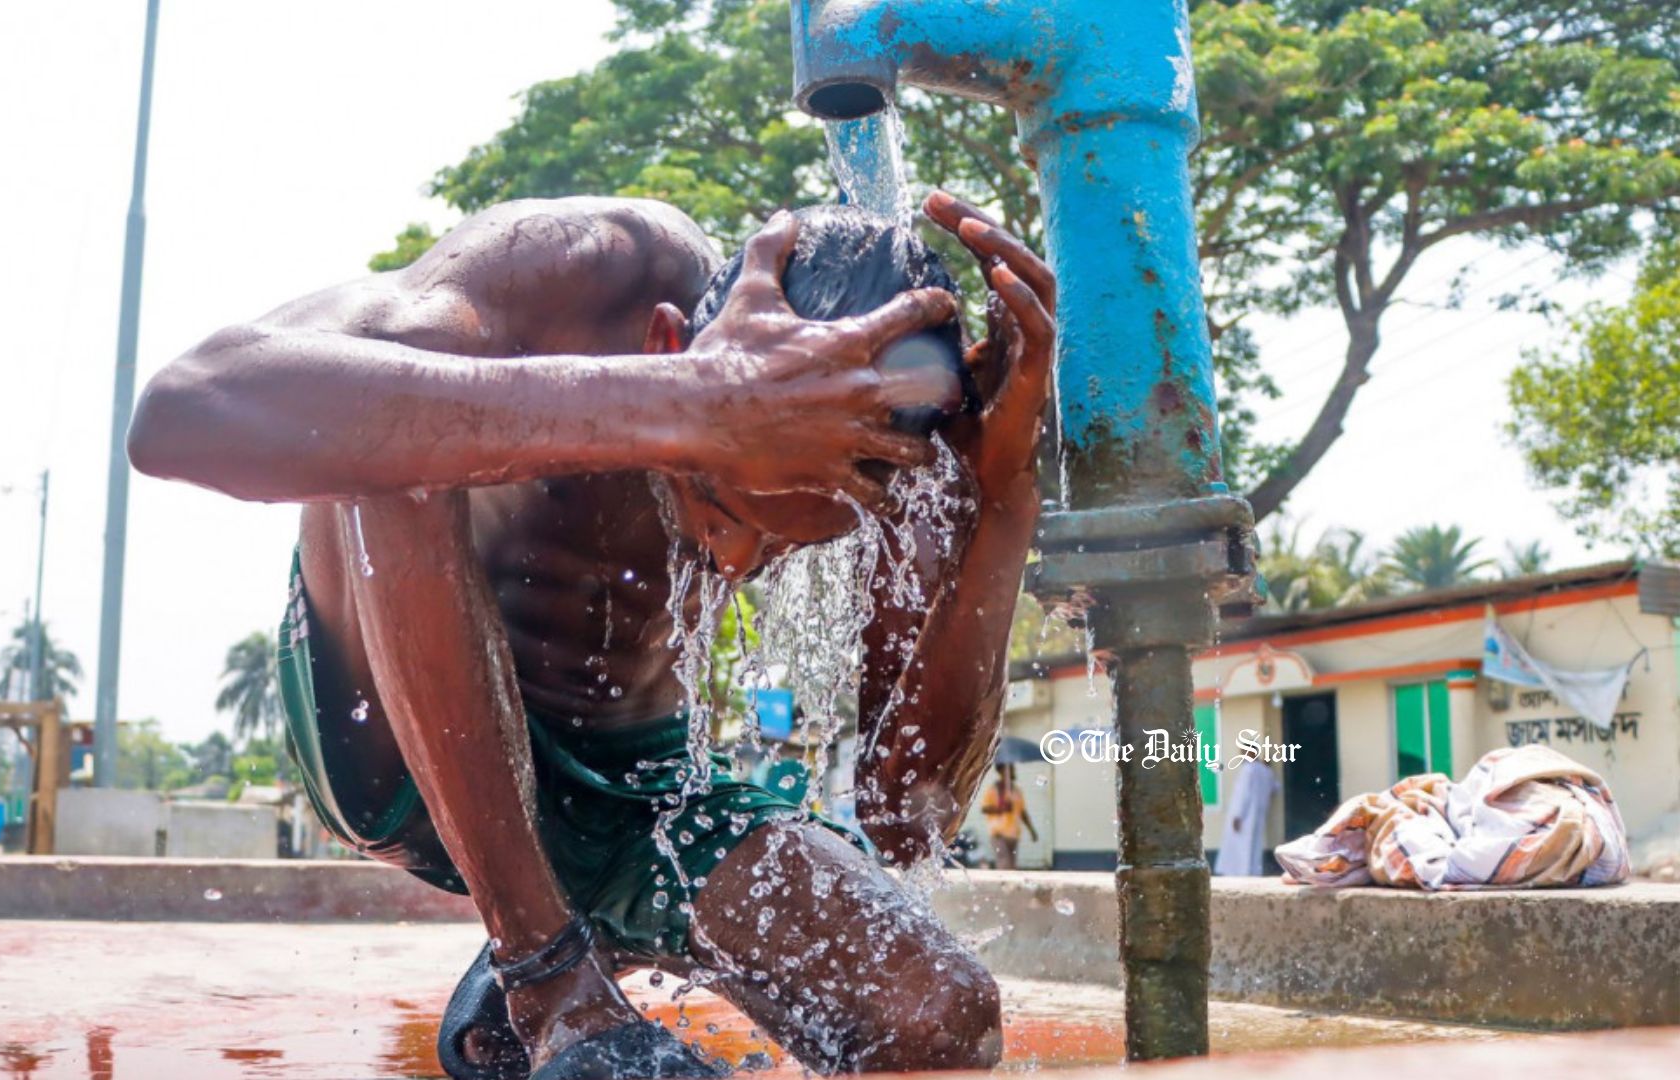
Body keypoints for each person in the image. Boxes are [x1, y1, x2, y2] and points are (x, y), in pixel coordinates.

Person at [128, 191, 1055, 1078]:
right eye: (733, 503)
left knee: (940, 1015)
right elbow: (179, 411)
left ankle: (564, 941)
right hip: (387, 745)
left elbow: (904, 817)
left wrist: (1002, 498)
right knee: (393, 428)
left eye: (790, 546)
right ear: (670, 342)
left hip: (634, 784)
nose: (742, 563)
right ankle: (543, 973)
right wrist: (693, 402)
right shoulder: (585, 272)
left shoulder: (888, 439)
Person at [1214, 756, 1277, 877]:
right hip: (1258, 816)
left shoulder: (1248, 769)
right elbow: (1275, 788)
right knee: (1253, 847)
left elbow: (1243, 794)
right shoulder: (1266, 771)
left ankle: (1239, 873)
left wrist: (1238, 815)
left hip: (1245, 817)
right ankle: (1251, 873)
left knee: (1240, 847)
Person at [980, 763, 1039, 869]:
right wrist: (1001, 808)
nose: (1013, 771)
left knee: (1012, 866)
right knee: (1004, 863)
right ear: (1001, 772)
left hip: (1013, 834)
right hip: (998, 834)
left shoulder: (1016, 791)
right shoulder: (993, 790)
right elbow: (985, 809)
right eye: (1010, 769)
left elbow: (1022, 813)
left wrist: (1031, 830)